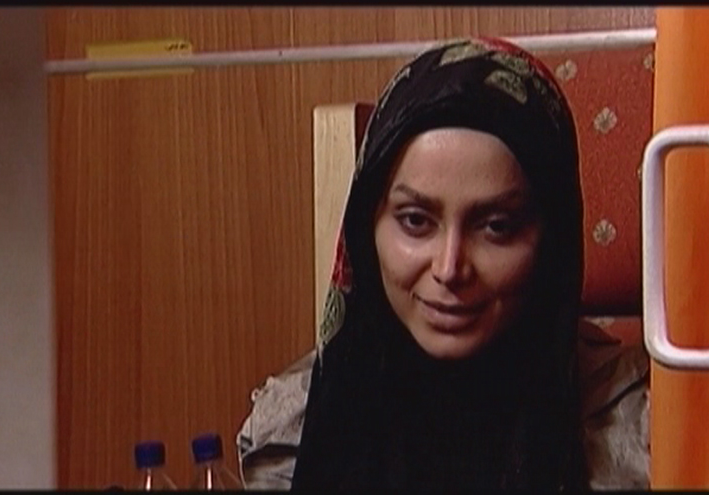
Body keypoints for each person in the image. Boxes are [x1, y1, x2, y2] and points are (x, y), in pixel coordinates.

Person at [236, 36, 649, 490]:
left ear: (552, 241)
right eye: (415, 221)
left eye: (496, 227)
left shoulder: (633, 428)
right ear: (365, 229)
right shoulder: (294, 428)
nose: (450, 269)